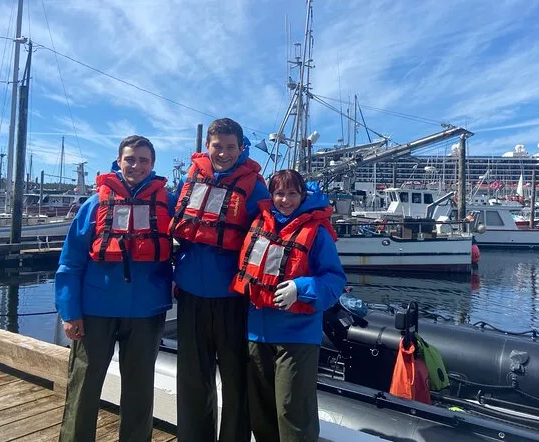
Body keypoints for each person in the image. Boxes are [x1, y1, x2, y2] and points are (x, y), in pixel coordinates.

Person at [55, 135, 175, 442]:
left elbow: (196, 238)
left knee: (139, 388)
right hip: (96, 310)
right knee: (84, 383)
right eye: (130, 159)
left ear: (153, 164)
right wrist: (70, 311)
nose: (136, 166)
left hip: (147, 311)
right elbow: (70, 260)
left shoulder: (168, 202)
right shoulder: (95, 203)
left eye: (143, 160)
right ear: (119, 161)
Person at [170, 118, 270, 441]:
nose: (223, 153)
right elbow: (172, 217)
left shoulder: (255, 187)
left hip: (232, 299)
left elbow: (272, 234)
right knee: (192, 378)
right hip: (191, 295)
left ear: (241, 148)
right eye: (217, 146)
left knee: (235, 380)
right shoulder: (190, 179)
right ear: (207, 147)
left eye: (230, 147)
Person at [231, 169, 347, 442]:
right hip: (257, 333)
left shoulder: (317, 232)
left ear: (303, 195)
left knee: (292, 409)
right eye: (279, 193)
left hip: (297, 336)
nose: (285, 200)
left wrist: (301, 288)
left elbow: (334, 279)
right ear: (271, 195)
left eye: (292, 193)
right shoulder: (259, 223)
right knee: (261, 411)